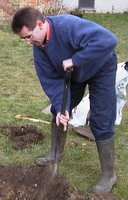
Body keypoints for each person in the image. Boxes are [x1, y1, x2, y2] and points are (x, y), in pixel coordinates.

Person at [11, 6, 118, 193]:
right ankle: (56, 152)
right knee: (58, 110)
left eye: (28, 37)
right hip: (74, 74)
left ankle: (109, 175)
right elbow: (51, 82)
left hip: (101, 67)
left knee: (101, 119)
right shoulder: (40, 48)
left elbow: (109, 40)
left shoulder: (69, 26)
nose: (28, 42)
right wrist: (63, 108)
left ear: (39, 24)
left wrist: (76, 60)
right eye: (23, 39)